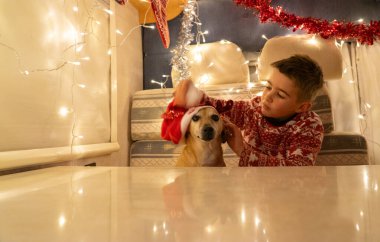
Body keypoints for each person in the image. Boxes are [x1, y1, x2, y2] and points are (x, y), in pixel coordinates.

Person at [173, 54, 324, 166]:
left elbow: (298, 171)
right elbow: (220, 107)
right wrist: (192, 95)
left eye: (280, 95)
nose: (267, 97)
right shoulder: (253, 109)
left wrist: (242, 150)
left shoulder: (309, 126)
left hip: (286, 197)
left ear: (302, 107)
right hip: (250, 190)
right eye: (268, 87)